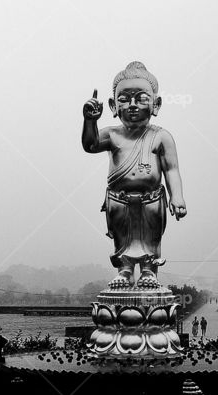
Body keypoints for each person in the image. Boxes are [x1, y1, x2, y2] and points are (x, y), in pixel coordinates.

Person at [82, 61, 187, 288]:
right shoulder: (111, 134)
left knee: (151, 238)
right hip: (118, 200)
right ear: (112, 105)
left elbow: (171, 169)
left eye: (141, 98)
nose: (132, 104)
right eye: (124, 99)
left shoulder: (161, 137)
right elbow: (90, 145)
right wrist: (90, 121)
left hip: (152, 199)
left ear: (156, 104)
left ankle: (149, 271)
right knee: (122, 237)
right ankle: (125, 270)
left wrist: (176, 196)